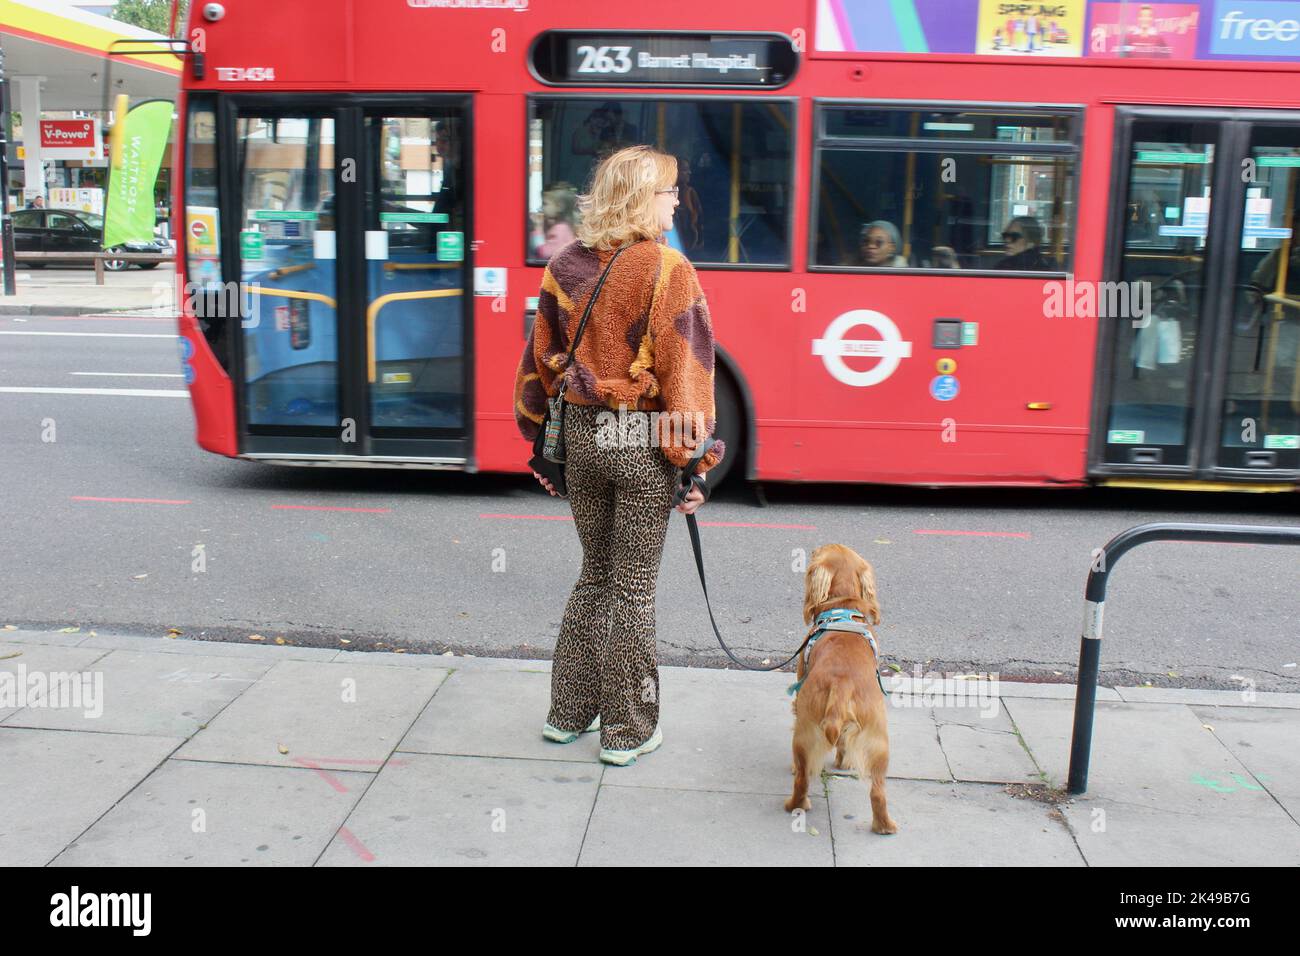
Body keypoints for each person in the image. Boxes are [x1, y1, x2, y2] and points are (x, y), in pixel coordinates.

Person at [512, 144, 724, 766]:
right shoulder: (667, 269)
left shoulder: (565, 265)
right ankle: (628, 730)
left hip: (580, 436)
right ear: (640, 198)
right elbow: (688, 378)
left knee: (594, 576)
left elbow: (535, 369)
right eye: (667, 191)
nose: (675, 201)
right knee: (631, 588)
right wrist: (694, 464)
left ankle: (567, 713)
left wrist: (541, 443)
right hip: (635, 442)